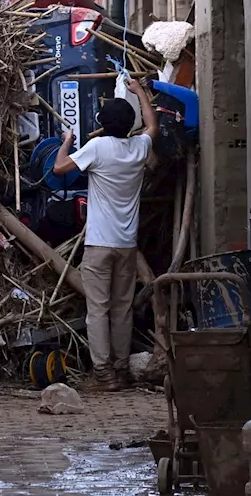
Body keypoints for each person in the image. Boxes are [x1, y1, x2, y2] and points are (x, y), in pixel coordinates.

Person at [52, 78, 158, 389]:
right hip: (127, 245)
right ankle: (122, 370)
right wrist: (140, 92)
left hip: (99, 244)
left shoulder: (97, 147)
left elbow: (59, 168)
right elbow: (152, 125)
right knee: (121, 308)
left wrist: (67, 141)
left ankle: (103, 374)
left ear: (103, 124)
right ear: (129, 125)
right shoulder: (139, 147)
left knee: (97, 309)